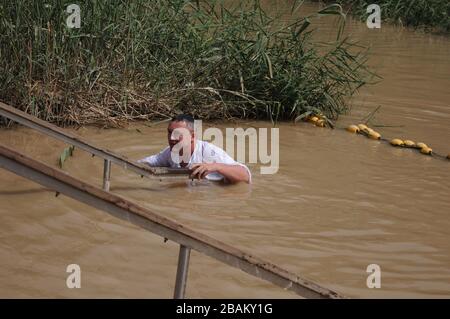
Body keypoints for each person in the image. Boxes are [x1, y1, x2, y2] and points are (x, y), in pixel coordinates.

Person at [138, 115, 251, 184]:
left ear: (192, 136)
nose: (172, 138)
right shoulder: (169, 153)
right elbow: (144, 163)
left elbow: (245, 175)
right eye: (169, 133)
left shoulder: (208, 152)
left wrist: (216, 166)